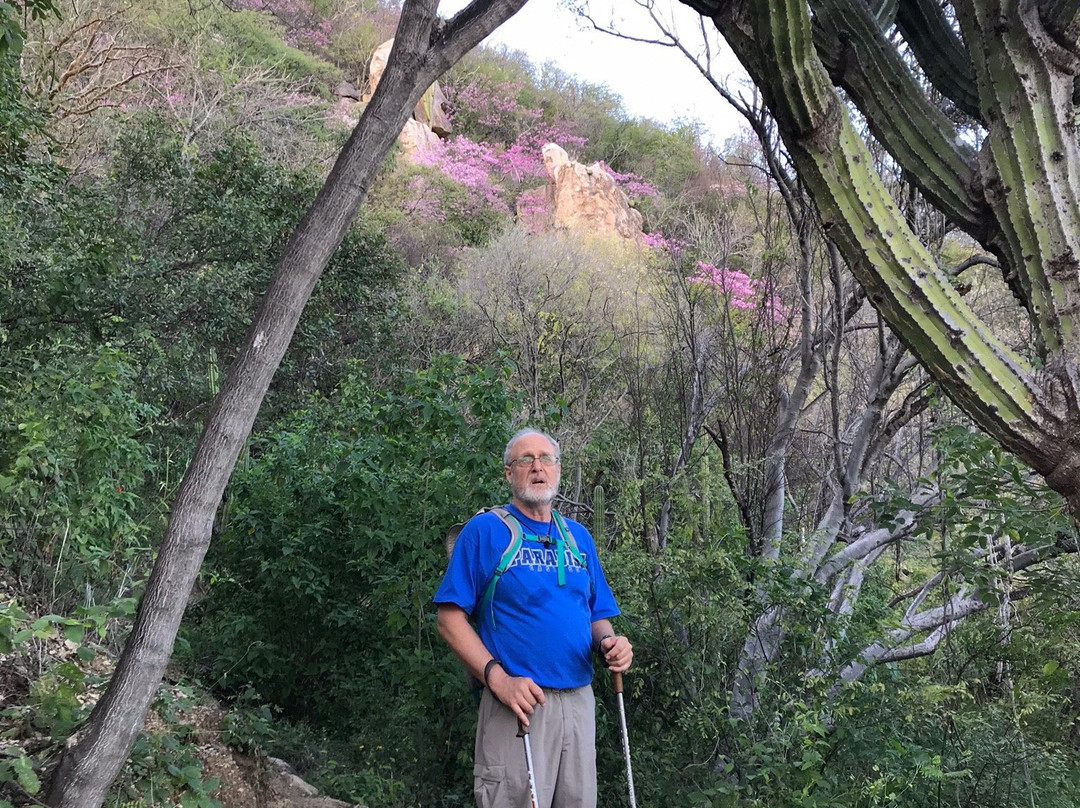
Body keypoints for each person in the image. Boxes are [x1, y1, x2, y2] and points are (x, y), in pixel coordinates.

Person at [435, 427, 633, 808]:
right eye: (525, 460)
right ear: (509, 474)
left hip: (578, 703)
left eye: (546, 459)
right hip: (517, 705)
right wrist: (498, 679)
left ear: (558, 470)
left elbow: (596, 615)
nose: (537, 467)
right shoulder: (486, 531)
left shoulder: (578, 537)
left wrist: (611, 643)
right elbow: (449, 619)